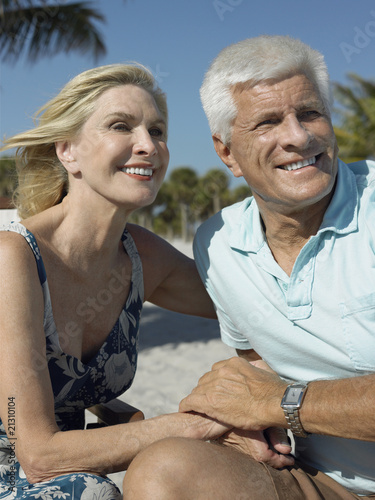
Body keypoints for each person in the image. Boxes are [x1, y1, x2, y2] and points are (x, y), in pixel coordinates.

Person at [123, 36, 375, 499]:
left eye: (310, 113)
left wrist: (276, 404)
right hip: (322, 482)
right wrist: (251, 418)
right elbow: (256, 363)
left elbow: (267, 396)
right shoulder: (218, 243)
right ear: (227, 154)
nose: (298, 136)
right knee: (165, 473)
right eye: (267, 122)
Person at [0, 63, 233, 499]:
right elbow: (36, 454)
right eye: (121, 126)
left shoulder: (140, 255)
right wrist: (197, 425)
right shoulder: (13, 257)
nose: (148, 145)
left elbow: (250, 309)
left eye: (158, 131)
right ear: (68, 150)